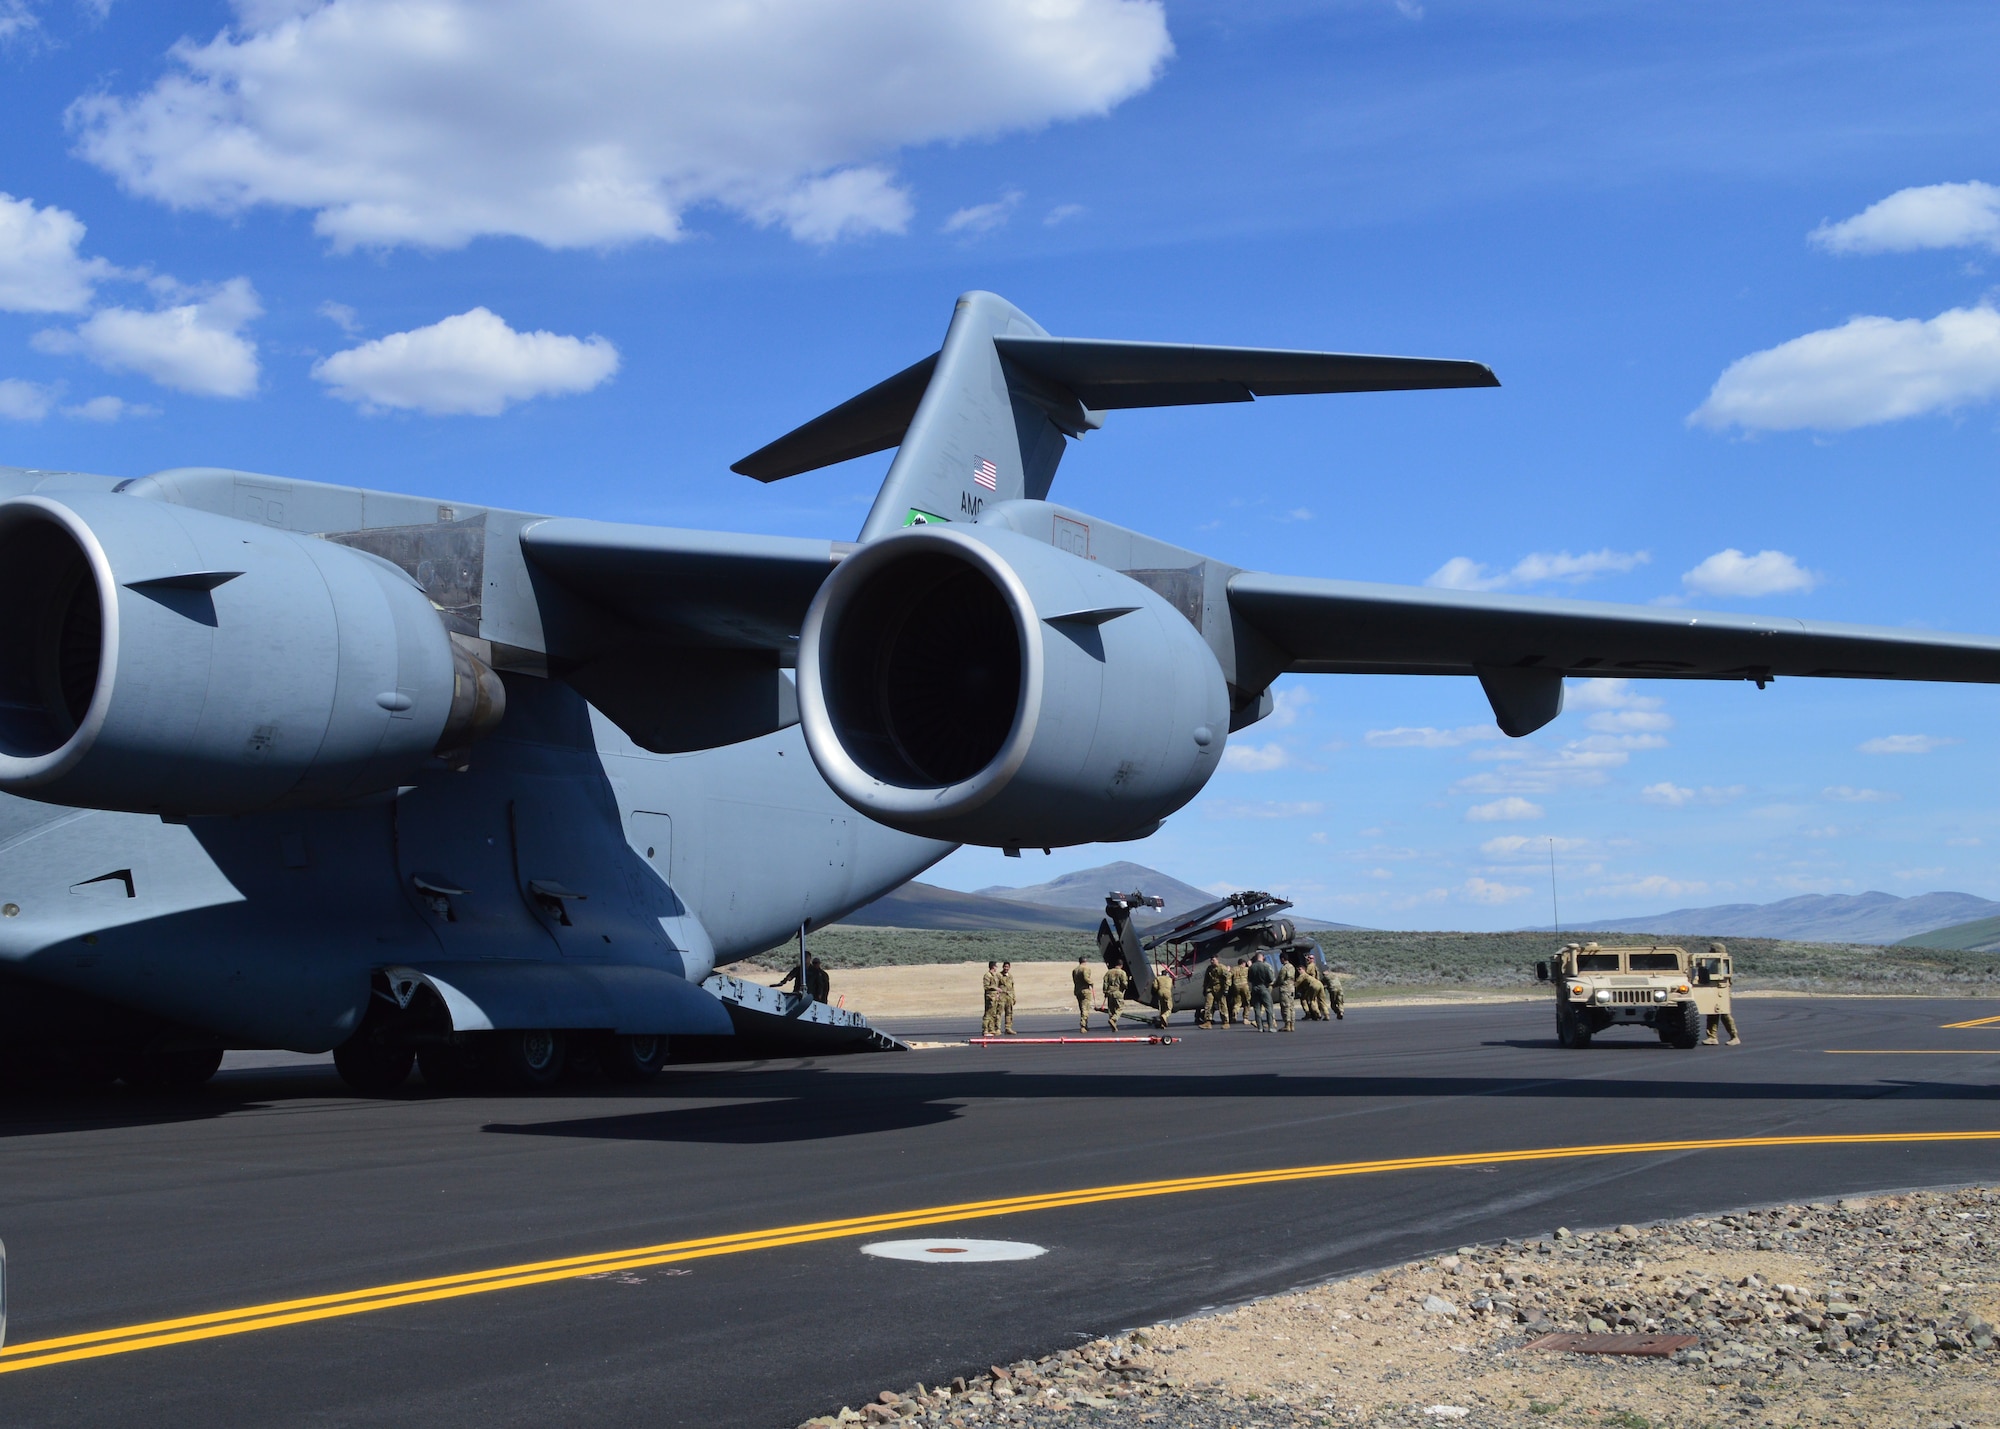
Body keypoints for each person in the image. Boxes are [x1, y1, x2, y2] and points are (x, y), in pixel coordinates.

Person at [1698, 941, 1740, 1045]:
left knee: (1725, 1015)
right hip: (1714, 990)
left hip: (1721, 990)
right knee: (1712, 1014)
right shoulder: (1714, 962)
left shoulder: (1722, 962)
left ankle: (1734, 1036)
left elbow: (1721, 977)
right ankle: (1712, 1037)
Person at [1248, 953, 1276, 1032]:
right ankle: (1270, 1026)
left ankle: (1260, 1027)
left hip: (1254, 988)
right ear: (1262, 957)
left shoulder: (1252, 967)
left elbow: (1249, 979)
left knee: (1257, 1009)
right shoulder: (1265, 966)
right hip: (1264, 988)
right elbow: (1270, 979)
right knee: (1268, 1008)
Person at [1202, 957, 1229, 1028]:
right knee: (1208, 1005)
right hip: (1211, 988)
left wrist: (1226, 989)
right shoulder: (1209, 968)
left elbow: (1227, 978)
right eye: (1211, 960)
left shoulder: (1222, 968)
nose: (1211, 961)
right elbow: (1206, 979)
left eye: (1213, 960)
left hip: (1220, 988)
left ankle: (1225, 1022)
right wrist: (1204, 988)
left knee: (1222, 1005)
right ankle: (1208, 1022)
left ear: (1217, 960)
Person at [1102, 959, 1129, 1032]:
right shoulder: (1122, 972)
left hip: (1110, 992)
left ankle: (1114, 1026)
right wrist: (1126, 987)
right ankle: (1113, 1020)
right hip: (1117, 992)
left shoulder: (1109, 972)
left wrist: (1105, 992)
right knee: (1120, 1007)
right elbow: (1124, 983)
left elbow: (1105, 982)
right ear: (1121, 965)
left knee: (1111, 1010)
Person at [1072, 955, 1095, 1032]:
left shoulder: (1075, 970)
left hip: (1078, 990)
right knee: (1085, 1009)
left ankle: (1085, 1025)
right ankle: (1083, 1026)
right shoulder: (1085, 969)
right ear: (1085, 961)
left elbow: (1074, 980)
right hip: (1085, 990)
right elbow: (1086, 978)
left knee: (1082, 1009)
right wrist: (1091, 983)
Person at [1276, 956, 1297, 1032]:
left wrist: (1274, 984)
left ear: (1282, 959)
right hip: (1291, 989)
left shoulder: (1284, 968)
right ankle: (1292, 1025)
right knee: (1291, 1007)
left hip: (1285, 989)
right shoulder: (1292, 967)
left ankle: (1287, 1025)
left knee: (1285, 1007)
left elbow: (1280, 979)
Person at [1228, 958, 1251, 1025]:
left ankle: (1234, 1015)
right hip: (1244, 986)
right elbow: (1253, 971)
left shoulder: (1234, 969)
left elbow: (1229, 975)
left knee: (1237, 1002)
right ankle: (1245, 1018)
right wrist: (1250, 965)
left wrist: (1228, 970)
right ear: (1243, 963)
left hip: (1236, 987)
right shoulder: (1246, 969)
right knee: (1247, 1002)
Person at [981, 960, 1000, 1037]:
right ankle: (985, 1030)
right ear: (993, 966)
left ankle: (991, 1029)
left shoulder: (994, 976)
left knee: (993, 1013)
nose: (996, 968)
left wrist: (997, 993)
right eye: (996, 966)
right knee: (988, 1014)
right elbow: (986, 986)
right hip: (990, 997)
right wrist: (995, 988)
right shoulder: (987, 975)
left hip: (994, 997)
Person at [998, 961, 1017, 1036]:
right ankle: (997, 1029)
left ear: (1009, 967)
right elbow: (996, 986)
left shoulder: (1010, 976)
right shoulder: (999, 975)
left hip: (1009, 997)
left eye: (1007, 967)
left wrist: (1014, 997)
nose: (1006, 968)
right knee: (999, 1013)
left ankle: (1008, 1028)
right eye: (1005, 967)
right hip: (1002, 997)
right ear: (1003, 967)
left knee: (1009, 1013)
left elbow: (1012, 987)